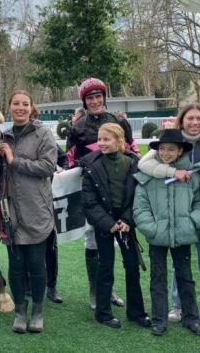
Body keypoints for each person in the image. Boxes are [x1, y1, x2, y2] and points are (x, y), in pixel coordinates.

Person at [137, 103, 200, 326]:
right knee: (179, 267)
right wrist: (173, 171)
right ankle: (178, 306)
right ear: (182, 120)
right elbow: (144, 164)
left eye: (199, 118)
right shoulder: (169, 143)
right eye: (190, 118)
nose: (195, 122)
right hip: (174, 218)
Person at [133, 129, 200, 336]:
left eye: (171, 149)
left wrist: (191, 223)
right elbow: (140, 208)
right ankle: (159, 319)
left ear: (180, 151)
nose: (166, 153)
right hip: (157, 237)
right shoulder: (147, 176)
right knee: (158, 278)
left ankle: (190, 318)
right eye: (163, 149)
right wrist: (153, 228)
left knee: (185, 276)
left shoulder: (192, 176)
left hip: (183, 235)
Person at [66, 78, 131, 310]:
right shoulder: (77, 127)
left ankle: (108, 288)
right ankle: (95, 290)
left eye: (98, 96)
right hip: (92, 195)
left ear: (104, 97)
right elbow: (70, 161)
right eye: (90, 98)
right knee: (93, 240)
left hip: (117, 193)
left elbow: (131, 153)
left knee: (114, 243)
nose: (94, 101)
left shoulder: (118, 122)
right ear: (84, 101)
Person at [0, 90, 58, 334]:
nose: (20, 108)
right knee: (15, 265)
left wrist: (13, 160)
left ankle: (38, 311)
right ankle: (20, 311)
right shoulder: (3, 136)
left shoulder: (43, 133)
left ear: (32, 108)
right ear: (9, 107)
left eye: (25, 104)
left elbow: (47, 166)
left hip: (37, 209)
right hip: (10, 209)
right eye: (15, 104)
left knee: (36, 264)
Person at [80, 123, 150, 329]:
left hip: (126, 224)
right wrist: (109, 224)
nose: (101, 143)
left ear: (120, 142)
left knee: (131, 266)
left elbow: (138, 196)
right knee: (105, 267)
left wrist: (127, 220)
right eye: (99, 139)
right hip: (106, 224)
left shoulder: (132, 163)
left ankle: (136, 312)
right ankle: (103, 313)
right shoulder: (91, 165)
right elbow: (89, 202)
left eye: (106, 139)